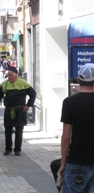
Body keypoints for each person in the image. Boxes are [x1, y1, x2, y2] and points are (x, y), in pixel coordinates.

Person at [58, 63, 94, 192]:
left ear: (78, 80)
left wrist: (63, 164)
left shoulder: (70, 102)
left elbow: (66, 137)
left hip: (77, 160)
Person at [0, 66, 36, 156]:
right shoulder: (4, 84)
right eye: (8, 75)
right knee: (7, 130)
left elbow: (33, 93)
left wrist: (28, 105)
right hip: (8, 110)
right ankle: (8, 149)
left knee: (19, 130)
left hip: (20, 110)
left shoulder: (23, 83)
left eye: (10, 75)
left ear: (16, 75)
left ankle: (17, 149)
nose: (9, 77)